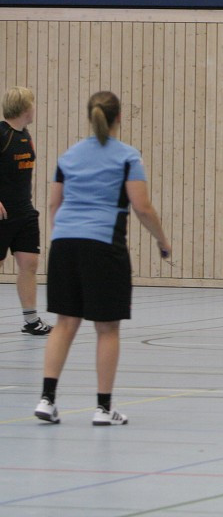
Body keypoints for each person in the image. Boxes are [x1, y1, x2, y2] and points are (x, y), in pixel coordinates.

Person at [35, 91, 171, 425]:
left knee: (65, 323)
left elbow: (55, 205)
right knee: (107, 328)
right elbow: (141, 207)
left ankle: (46, 399)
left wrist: (63, 237)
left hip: (65, 244)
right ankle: (103, 408)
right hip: (103, 246)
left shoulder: (68, 156)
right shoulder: (127, 156)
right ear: (119, 118)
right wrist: (162, 240)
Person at [1, 87, 51, 335]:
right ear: (23, 108)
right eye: (32, 103)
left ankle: (31, 321)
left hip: (24, 212)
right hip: (2, 215)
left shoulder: (25, 134)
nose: (34, 108)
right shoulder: (2, 134)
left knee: (30, 263)